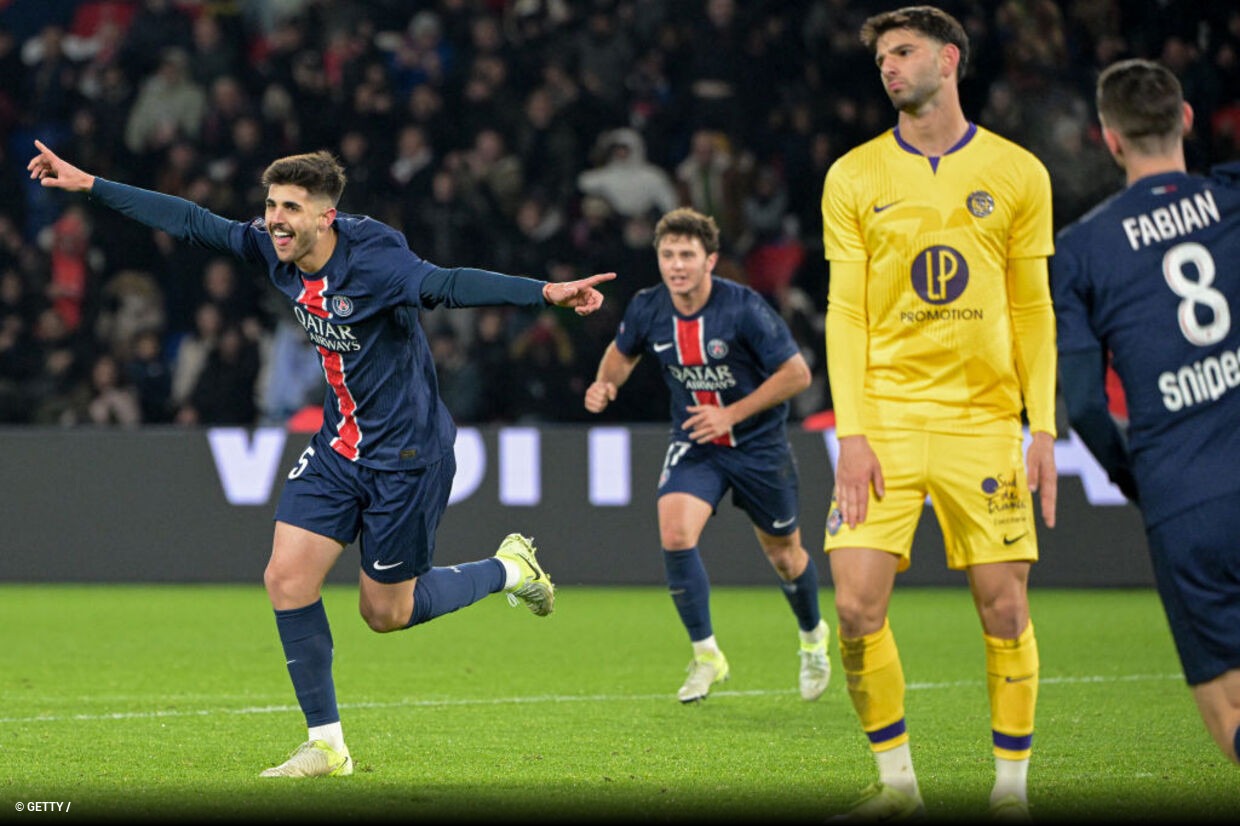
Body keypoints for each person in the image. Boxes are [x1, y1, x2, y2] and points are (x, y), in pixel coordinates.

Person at [28, 140, 614, 778]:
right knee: (285, 579)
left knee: (385, 613)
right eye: (271, 204)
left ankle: (508, 567)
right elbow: (193, 221)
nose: (274, 219)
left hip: (408, 455)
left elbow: (445, 285)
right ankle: (327, 745)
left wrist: (545, 293)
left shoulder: (378, 262)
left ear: (325, 217)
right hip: (340, 447)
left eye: (290, 208)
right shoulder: (274, 251)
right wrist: (90, 184)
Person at [820, 7, 1057, 821]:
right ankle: (898, 789)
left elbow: (1034, 310)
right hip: (883, 416)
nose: (888, 67)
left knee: (1005, 606)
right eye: (881, 56)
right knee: (853, 604)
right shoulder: (852, 176)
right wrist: (850, 433)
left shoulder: (1019, 171)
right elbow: (844, 315)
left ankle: (1011, 793)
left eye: (904, 51)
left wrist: (1045, 428)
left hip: (983, 421)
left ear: (949, 59)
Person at [1052, 59, 1240, 769]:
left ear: (1109, 139)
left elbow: (1088, 409)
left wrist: (1141, 480)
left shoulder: (1081, 250)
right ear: (1187, 120)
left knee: (1228, 707)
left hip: (1185, 498)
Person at [584, 206, 830, 705]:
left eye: (687, 255)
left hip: (759, 446)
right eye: (668, 254)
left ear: (710, 260)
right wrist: (605, 383)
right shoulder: (649, 307)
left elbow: (797, 375)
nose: (676, 264)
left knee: (785, 556)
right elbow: (622, 351)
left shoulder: (743, 308)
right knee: (675, 532)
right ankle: (706, 655)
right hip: (697, 442)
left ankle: (812, 638)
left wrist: (732, 414)